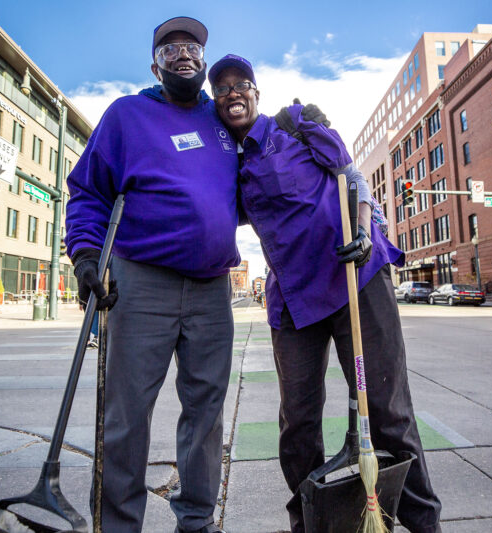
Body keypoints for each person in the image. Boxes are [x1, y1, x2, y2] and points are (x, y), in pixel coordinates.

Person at [208, 55, 441, 533]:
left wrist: (361, 228)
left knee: (388, 413)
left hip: (353, 277)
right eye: (222, 88)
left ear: (257, 93)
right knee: (297, 426)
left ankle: (423, 524)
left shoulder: (294, 127)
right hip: (292, 300)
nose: (233, 92)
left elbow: (351, 177)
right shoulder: (224, 162)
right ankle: (311, 522)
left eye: (243, 84)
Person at [65, 17, 238, 533]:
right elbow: (89, 191)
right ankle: (118, 525)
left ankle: (197, 520)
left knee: (206, 413)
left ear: (204, 63)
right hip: (141, 282)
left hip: (212, 289)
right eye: (170, 48)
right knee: (126, 415)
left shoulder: (223, 121)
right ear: (155, 65)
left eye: (192, 47)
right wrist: (86, 256)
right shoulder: (126, 116)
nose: (183, 54)